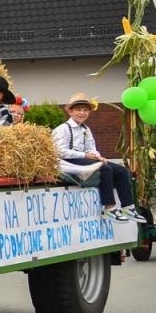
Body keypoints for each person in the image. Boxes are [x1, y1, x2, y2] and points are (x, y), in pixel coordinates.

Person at [53, 92, 140, 220]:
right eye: (78, 110)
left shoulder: (86, 129)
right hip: (68, 161)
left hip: (84, 158)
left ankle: (128, 206)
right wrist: (85, 155)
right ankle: (109, 207)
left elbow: (91, 148)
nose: (82, 113)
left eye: (85, 110)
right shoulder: (63, 129)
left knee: (121, 170)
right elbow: (59, 151)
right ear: (70, 111)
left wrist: (98, 157)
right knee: (105, 169)